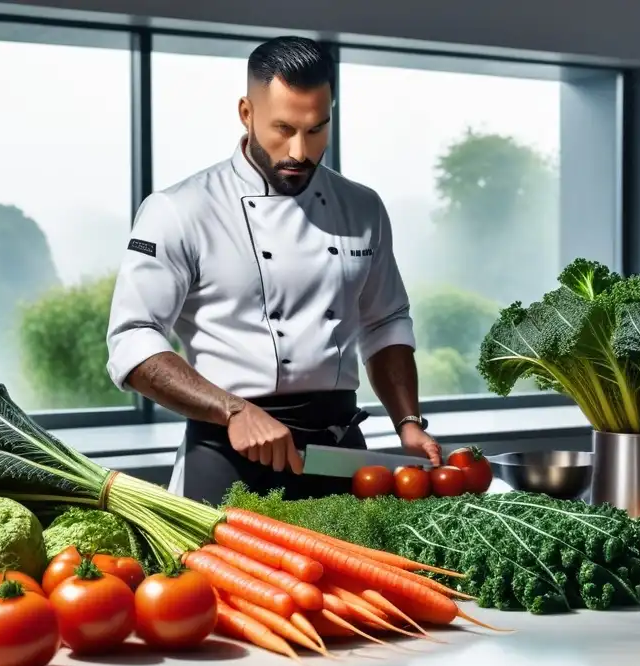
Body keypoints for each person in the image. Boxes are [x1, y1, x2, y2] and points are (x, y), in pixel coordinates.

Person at [105, 35, 442, 505]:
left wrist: (408, 423)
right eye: (283, 128)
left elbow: (384, 321)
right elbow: (132, 338)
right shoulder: (179, 209)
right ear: (247, 113)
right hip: (229, 452)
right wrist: (232, 409)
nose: (300, 151)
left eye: (317, 129)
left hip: (339, 453)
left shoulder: (362, 207)